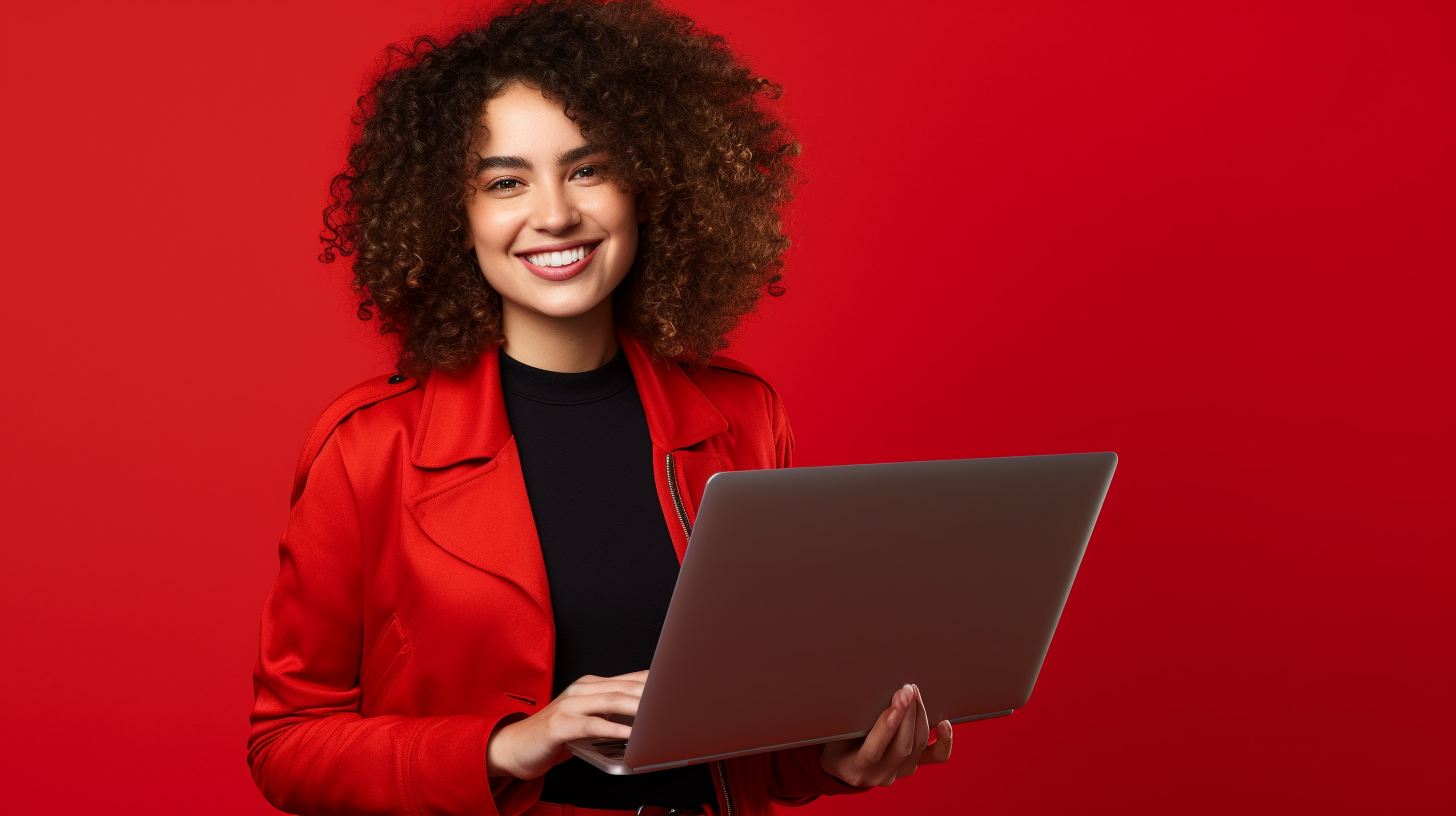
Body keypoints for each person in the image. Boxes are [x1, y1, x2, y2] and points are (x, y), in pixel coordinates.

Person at [247, 1, 953, 814]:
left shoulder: (745, 417)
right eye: (505, 182)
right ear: (456, 218)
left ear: (648, 187)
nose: (554, 213)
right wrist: (507, 744)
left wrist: (838, 759)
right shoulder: (367, 449)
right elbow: (285, 743)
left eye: (588, 169)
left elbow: (750, 741)